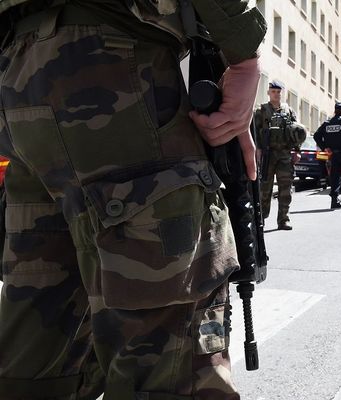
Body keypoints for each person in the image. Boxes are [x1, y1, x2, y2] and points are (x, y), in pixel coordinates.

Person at [0, 1, 266, 399]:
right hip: (114, 61)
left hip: (17, 77)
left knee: (39, 350)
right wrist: (244, 57)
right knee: (171, 368)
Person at [254, 81, 305, 230]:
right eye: (273, 91)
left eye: (278, 91)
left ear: (282, 93)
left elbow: (297, 132)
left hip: (284, 154)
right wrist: (257, 149)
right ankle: (261, 219)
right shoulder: (261, 110)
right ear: (269, 93)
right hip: (267, 154)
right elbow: (255, 132)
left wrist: (297, 151)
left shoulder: (289, 111)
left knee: (285, 188)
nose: (276, 94)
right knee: (265, 188)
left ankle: (283, 219)